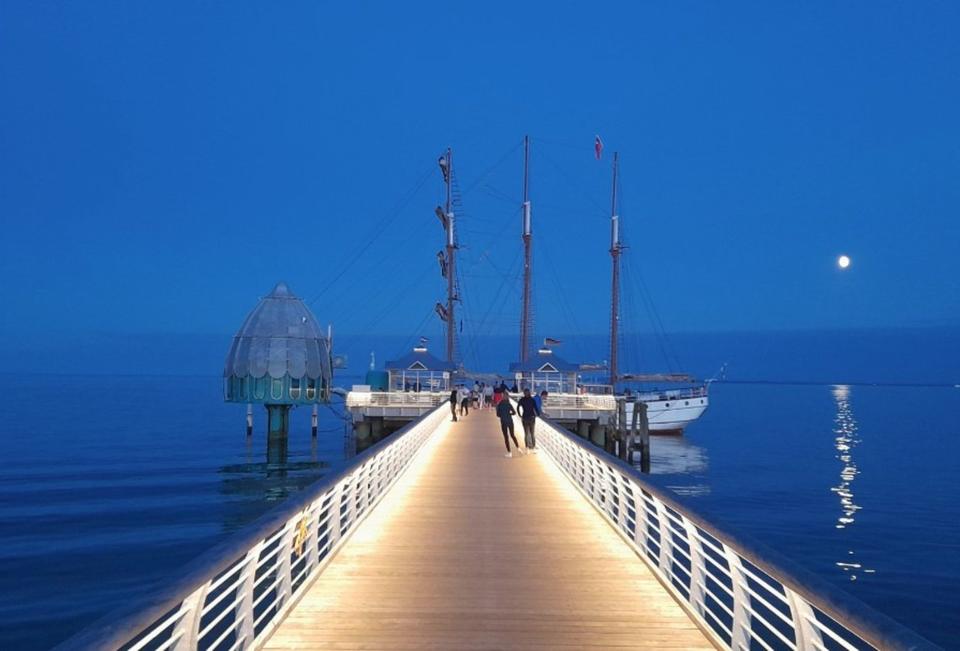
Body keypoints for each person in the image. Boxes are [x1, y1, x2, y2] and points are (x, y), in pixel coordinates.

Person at [517, 388, 541, 452]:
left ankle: (527, 447)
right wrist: (538, 414)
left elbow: (518, 407)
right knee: (532, 433)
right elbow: (535, 408)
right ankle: (533, 446)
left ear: (524, 393)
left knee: (526, 433)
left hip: (525, 417)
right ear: (529, 393)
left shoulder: (522, 400)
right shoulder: (532, 400)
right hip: (532, 417)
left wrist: (519, 415)